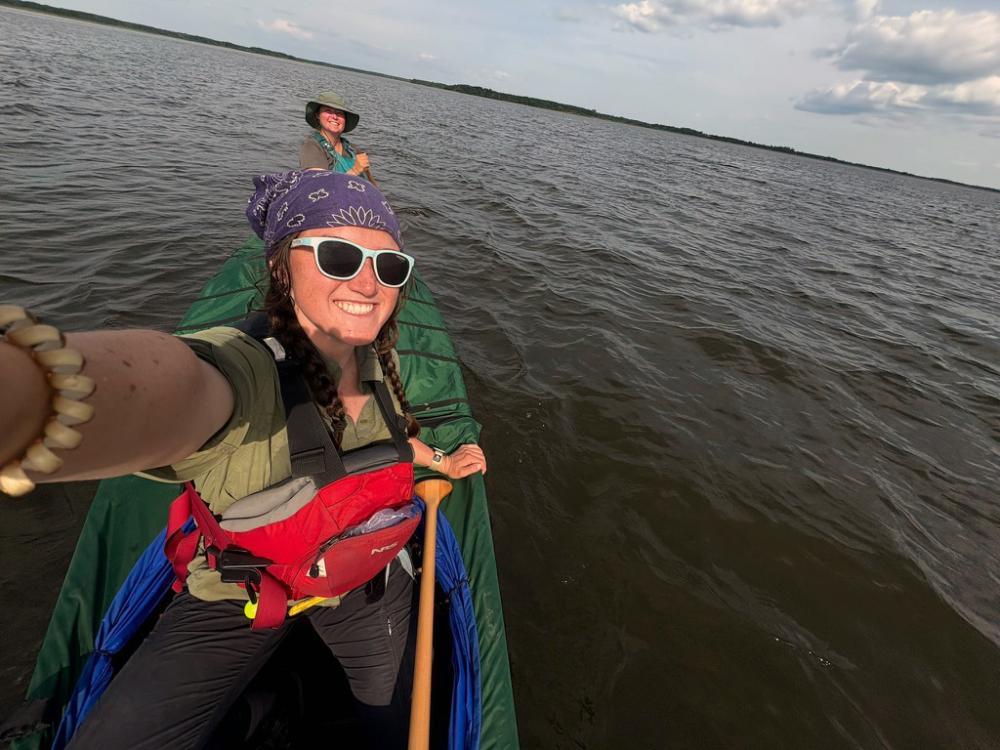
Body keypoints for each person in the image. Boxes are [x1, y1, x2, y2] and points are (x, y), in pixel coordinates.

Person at [0, 170, 486, 748]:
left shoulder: (378, 360)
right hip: (239, 592)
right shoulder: (241, 371)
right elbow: (174, 384)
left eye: (389, 266)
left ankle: (282, 702)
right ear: (282, 266)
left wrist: (442, 460)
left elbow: (387, 444)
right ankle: (260, 707)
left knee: (394, 722)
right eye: (337, 255)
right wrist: (31, 397)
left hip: (362, 581)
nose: (368, 284)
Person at [299, 91, 375, 181]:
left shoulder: (352, 150)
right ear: (317, 115)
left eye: (339, 113)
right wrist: (354, 171)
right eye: (328, 111)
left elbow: (372, 185)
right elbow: (317, 185)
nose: (334, 116)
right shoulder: (312, 146)